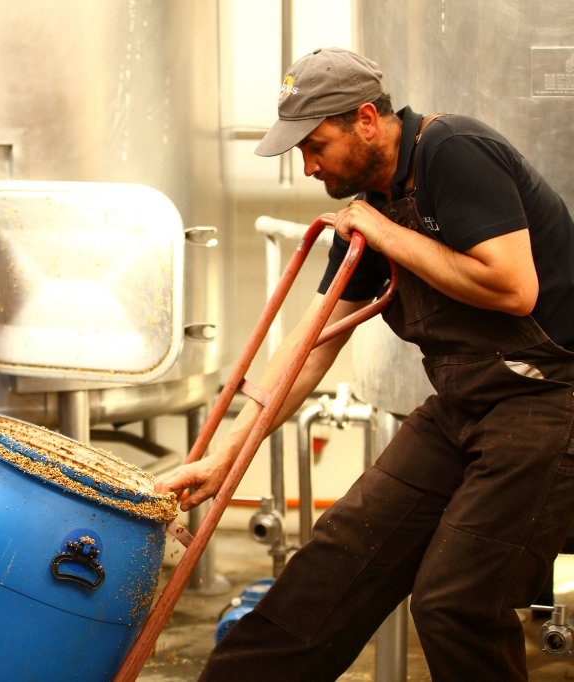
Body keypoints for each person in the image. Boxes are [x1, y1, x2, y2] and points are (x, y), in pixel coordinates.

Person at [156, 47, 574, 681]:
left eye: (316, 144)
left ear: (368, 120)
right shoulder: (372, 206)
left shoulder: (451, 150)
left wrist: (380, 232)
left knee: (455, 601)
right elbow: (311, 344)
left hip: (549, 402)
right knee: (330, 569)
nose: (308, 165)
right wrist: (226, 458)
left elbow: (514, 286)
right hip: (463, 407)